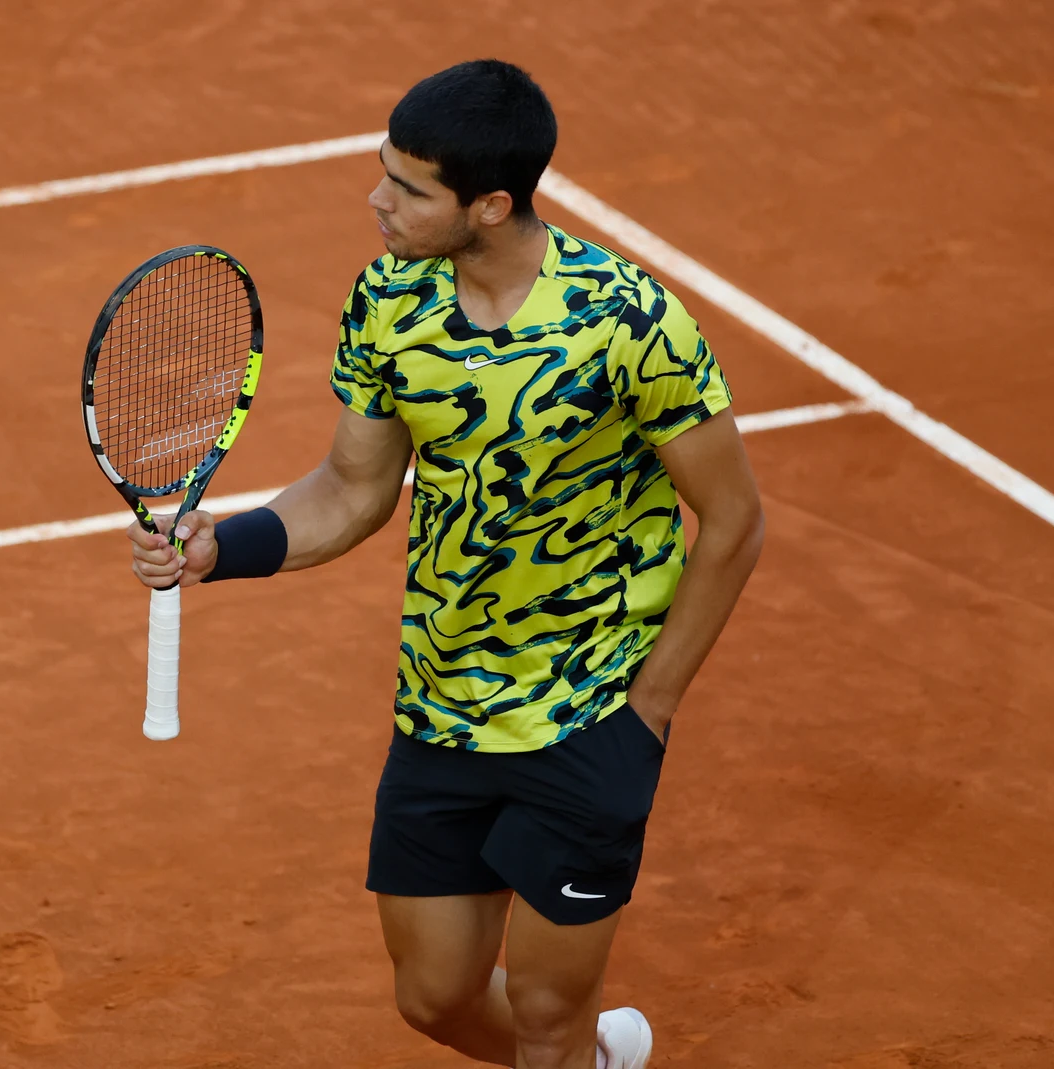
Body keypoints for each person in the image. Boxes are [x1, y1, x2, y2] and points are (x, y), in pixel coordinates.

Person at [126, 58, 764, 1069]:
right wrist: (222, 546)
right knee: (433, 996)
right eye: (385, 173)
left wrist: (649, 710)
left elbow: (732, 521)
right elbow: (352, 489)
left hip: (587, 714)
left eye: (409, 187)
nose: (376, 201)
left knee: (549, 1020)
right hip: (443, 701)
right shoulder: (391, 301)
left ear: (490, 205)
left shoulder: (628, 323)